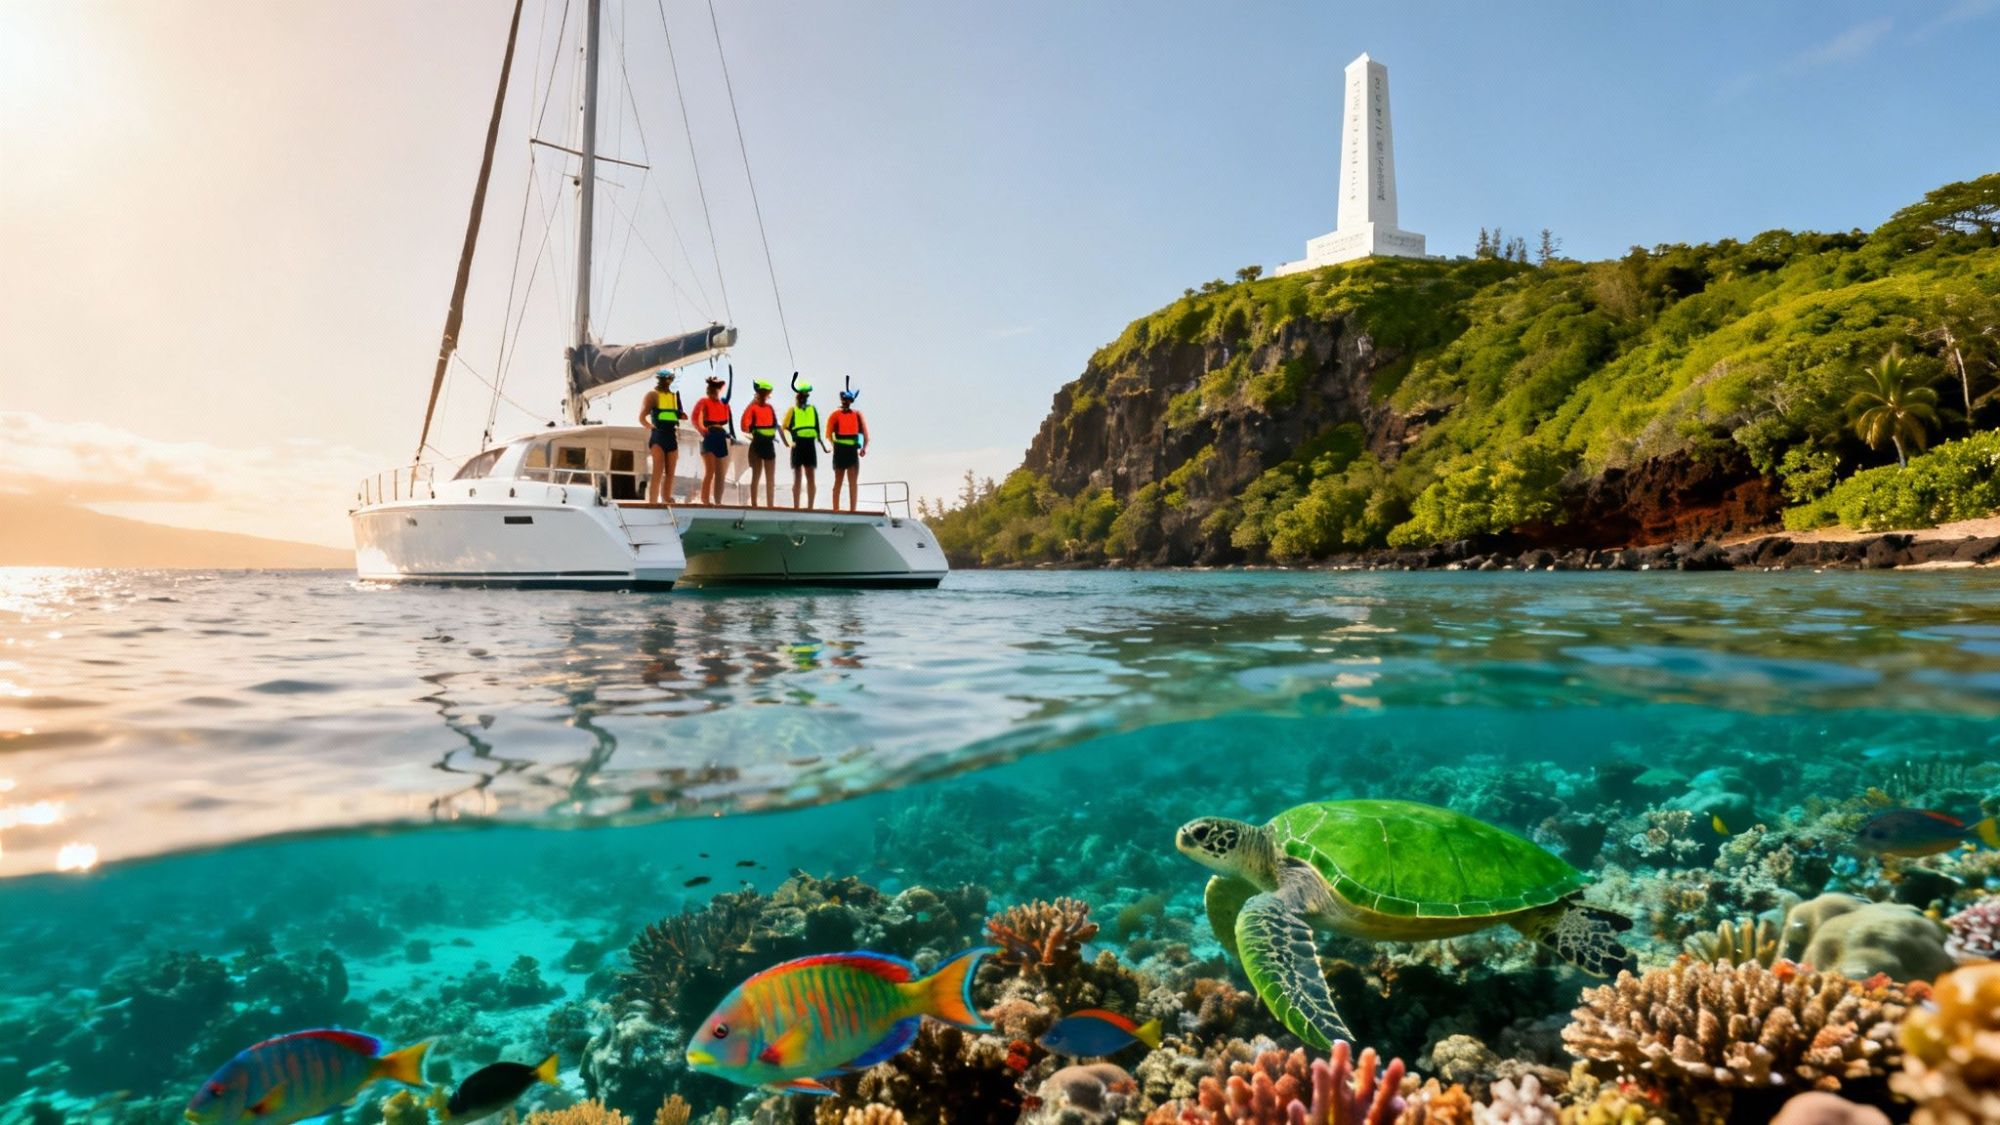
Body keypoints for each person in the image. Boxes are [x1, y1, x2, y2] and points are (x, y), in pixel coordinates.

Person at [637, 370, 683, 505]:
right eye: (664, 380)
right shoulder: (652, 395)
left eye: (669, 380)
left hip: (671, 435)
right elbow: (642, 416)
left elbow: (678, 414)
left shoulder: (674, 396)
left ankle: (666, 498)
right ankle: (652, 502)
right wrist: (650, 426)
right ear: (659, 380)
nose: (667, 382)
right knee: (658, 471)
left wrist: (680, 416)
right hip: (658, 435)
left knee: (670, 472)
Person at [781, 381, 828, 510]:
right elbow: (784, 427)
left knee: (810, 475)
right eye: (802, 396)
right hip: (797, 444)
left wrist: (822, 444)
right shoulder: (792, 410)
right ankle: (796, 506)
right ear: (798, 397)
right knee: (797, 476)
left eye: (806, 396)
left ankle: (810, 507)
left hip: (810, 444)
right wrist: (789, 442)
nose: (804, 398)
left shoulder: (812, 410)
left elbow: (817, 429)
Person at [690, 374, 733, 505]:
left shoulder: (724, 405)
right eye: (712, 389)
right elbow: (694, 418)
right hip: (709, 435)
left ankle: (718, 501)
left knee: (720, 473)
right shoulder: (703, 402)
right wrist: (703, 431)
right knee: (710, 470)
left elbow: (728, 420)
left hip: (720, 436)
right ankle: (705, 500)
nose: (714, 392)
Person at [827, 389, 870, 513]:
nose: (845, 402)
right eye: (844, 400)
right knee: (838, 481)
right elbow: (829, 434)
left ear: (851, 401)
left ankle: (853, 510)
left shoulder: (857, 415)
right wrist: (830, 446)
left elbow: (865, 435)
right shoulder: (835, 415)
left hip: (852, 451)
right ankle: (836, 509)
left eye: (848, 400)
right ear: (841, 400)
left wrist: (864, 448)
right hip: (839, 451)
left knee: (853, 483)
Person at [740, 379, 780, 508]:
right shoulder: (756, 408)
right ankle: (760, 504)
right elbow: (744, 425)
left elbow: (745, 426)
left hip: (763, 443)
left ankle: (764, 505)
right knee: (761, 476)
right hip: (760, 444)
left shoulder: (766, 408)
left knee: (763, 477)